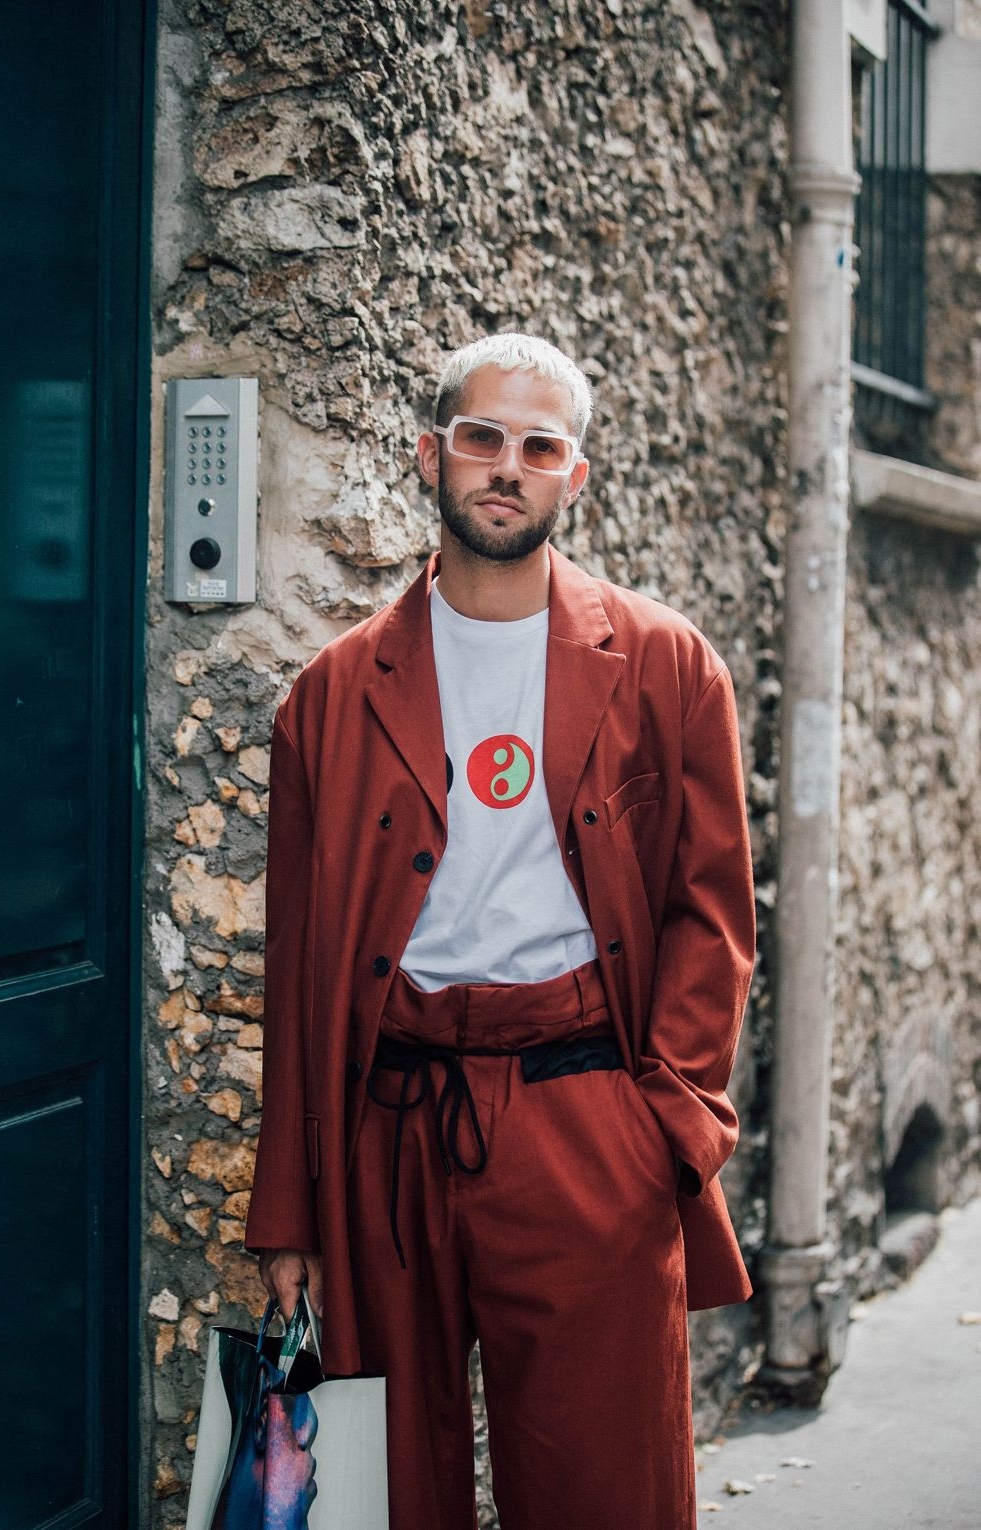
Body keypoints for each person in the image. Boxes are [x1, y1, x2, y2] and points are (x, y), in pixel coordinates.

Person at [245, 333, 756, 1530]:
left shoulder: (668, 667)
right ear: (432, 454)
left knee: (603, 1488)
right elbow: (295, 968)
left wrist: (666, 1127)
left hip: (585, 1122)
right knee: (389, 1493)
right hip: (388, 1129)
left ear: (574, 477)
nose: (506, 466)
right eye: (481, 437)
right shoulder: (329, 695)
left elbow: (713, 914)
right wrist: (291, 1210)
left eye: (540, 446)